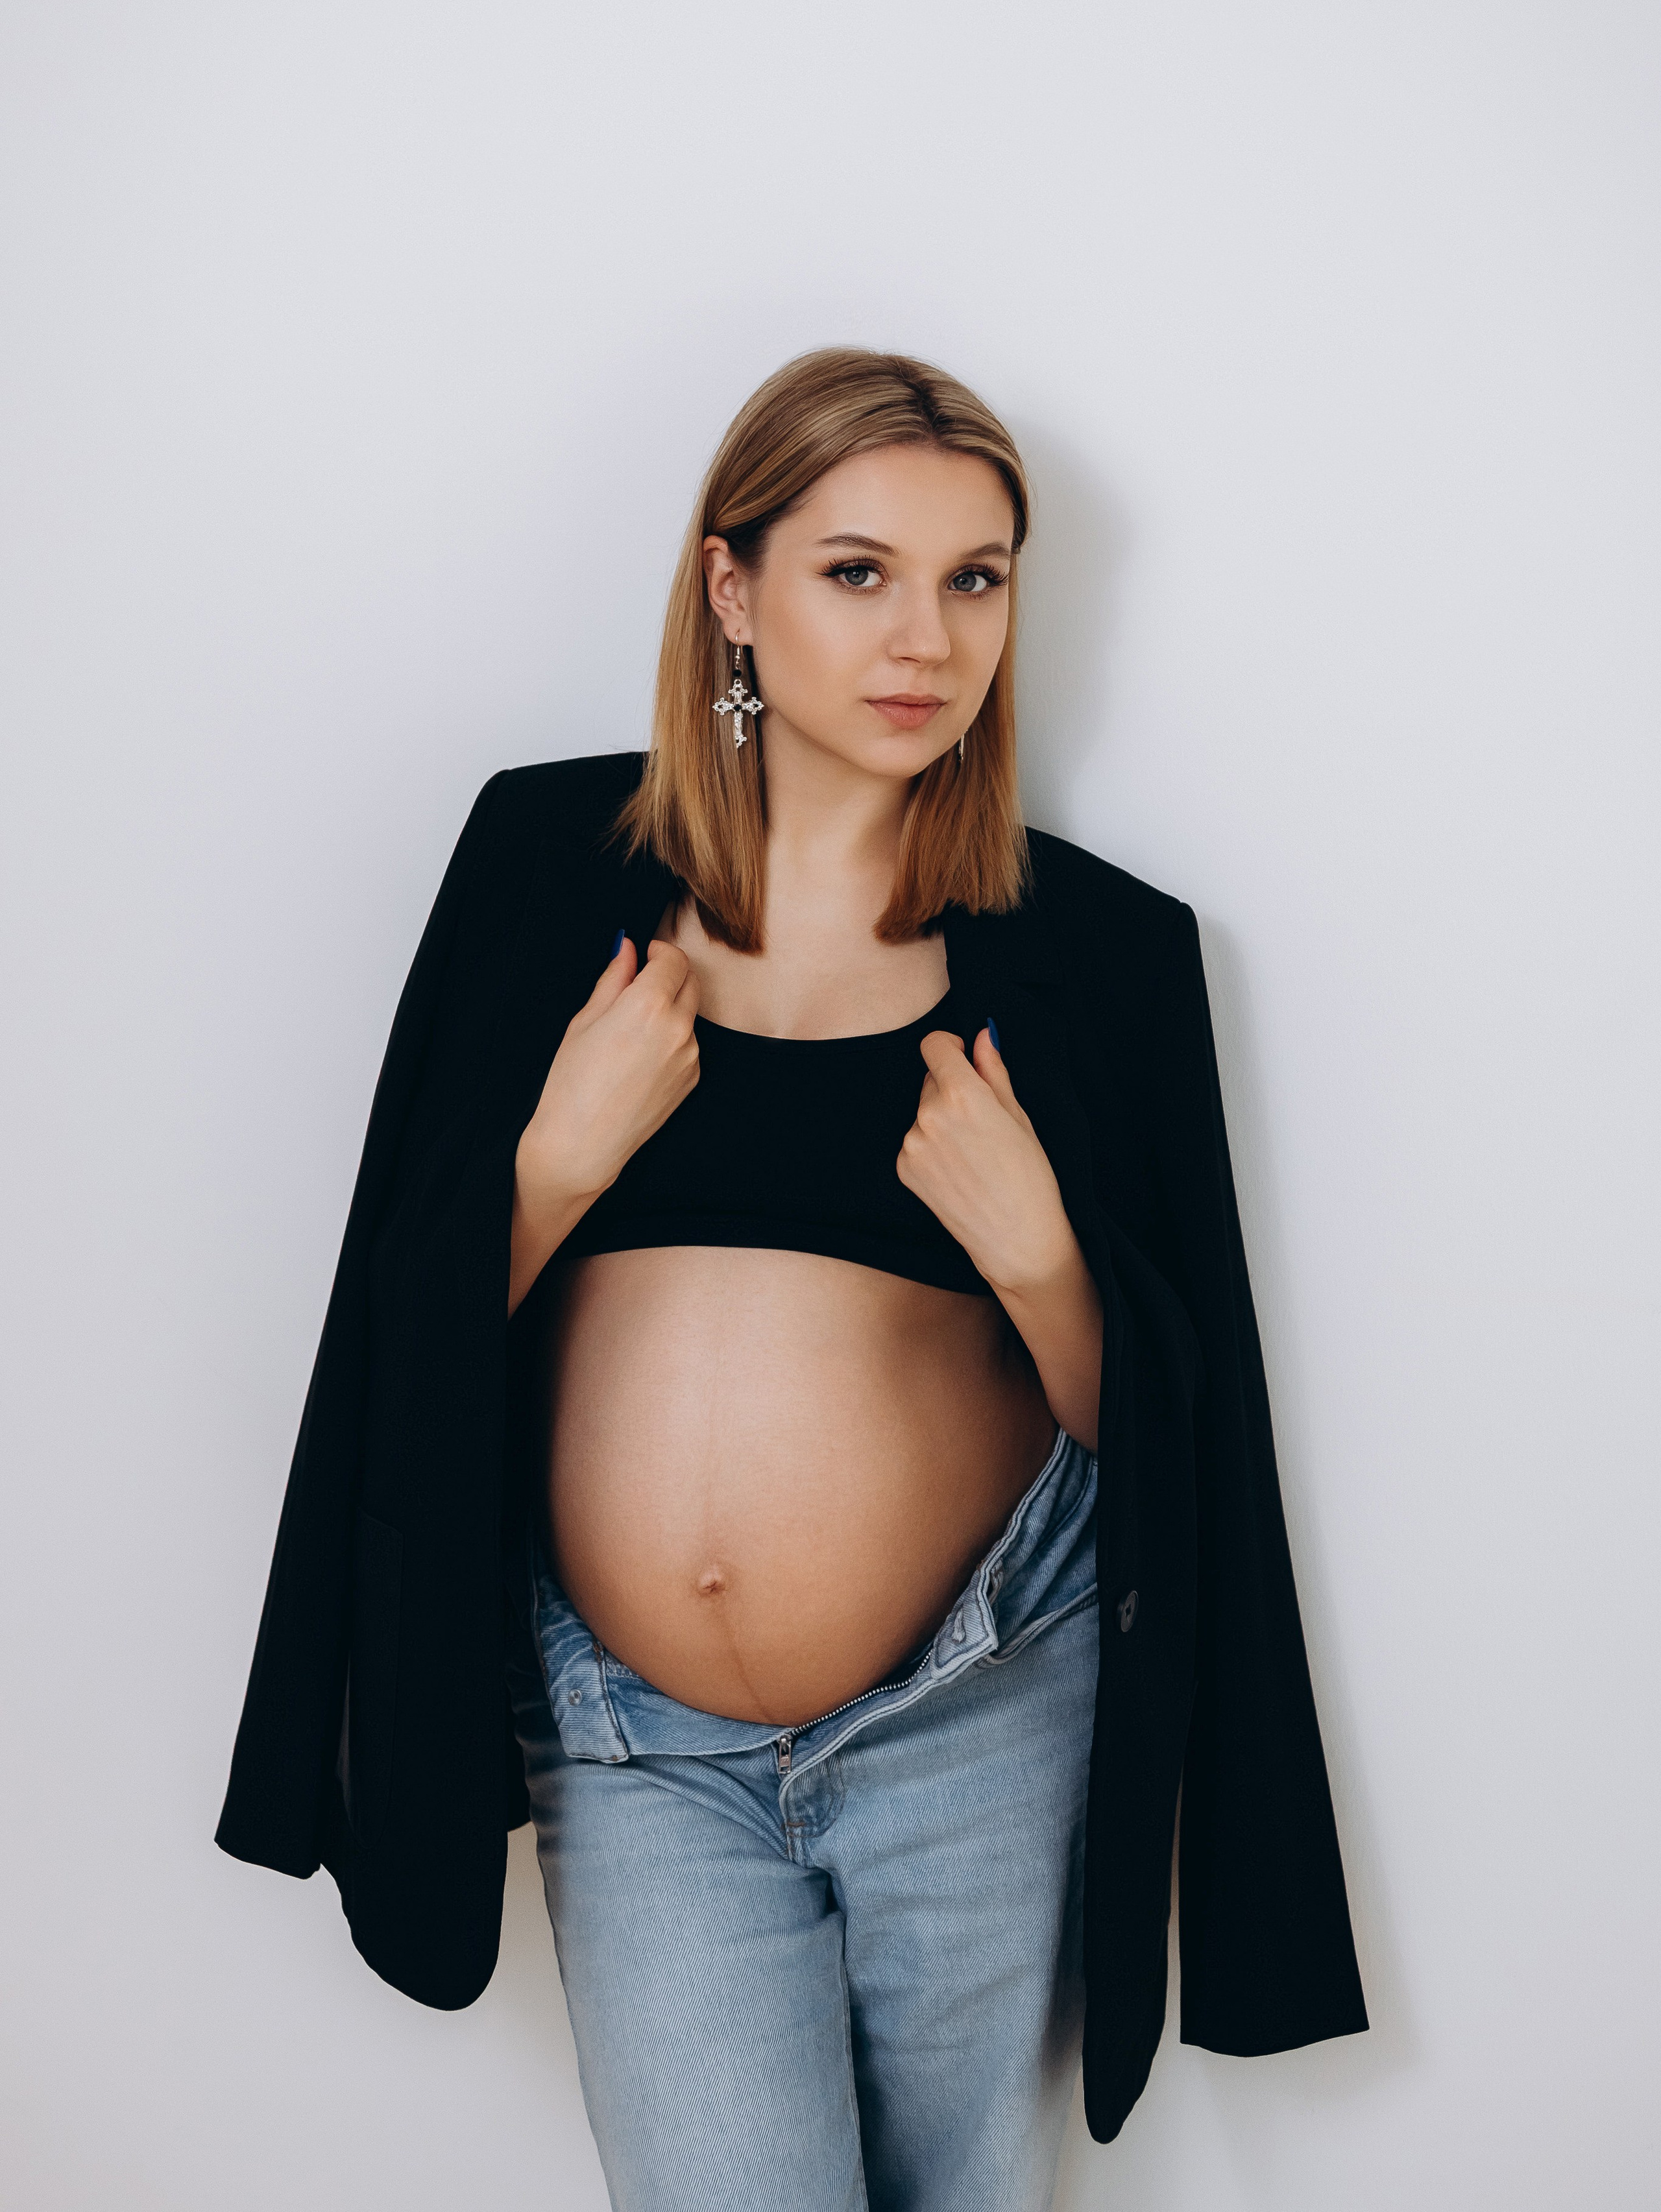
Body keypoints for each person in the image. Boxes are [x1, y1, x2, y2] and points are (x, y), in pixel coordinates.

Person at [217, 349, 1366, 2211]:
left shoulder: (1103, 956)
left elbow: (1168, 1436)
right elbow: (393, 1332)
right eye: (858, 571)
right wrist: (552, 1169)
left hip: (982, 1715)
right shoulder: (536, 867)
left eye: (976, 577)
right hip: (628, 1742)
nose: (928, 635)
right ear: (730, 587)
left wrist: (1044, 1260)